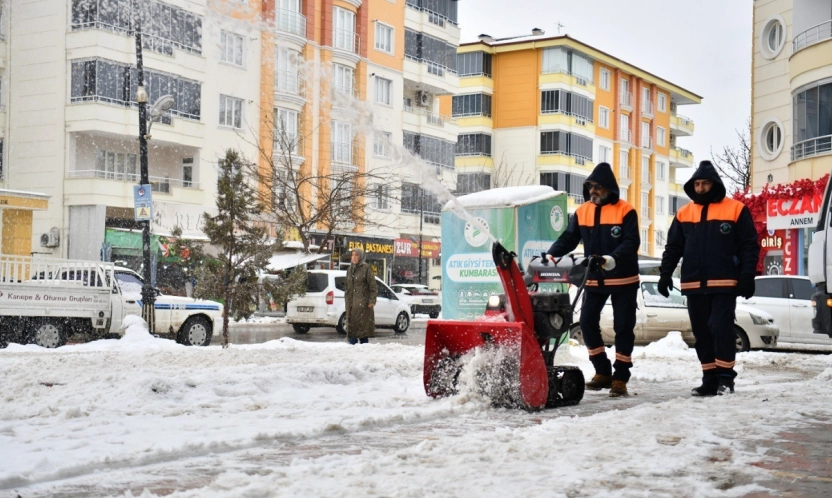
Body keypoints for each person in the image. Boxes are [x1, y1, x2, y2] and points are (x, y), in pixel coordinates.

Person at [658, 161, 759, 396]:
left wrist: (747, 275)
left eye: (705, 183)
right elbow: (673, 247)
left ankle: (725, 379)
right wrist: (665, 274)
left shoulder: (735, 209)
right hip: (693, 284)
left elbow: (748, 245)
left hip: (724, 283)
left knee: (720, 327)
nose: (701, 187)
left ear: (714, 184)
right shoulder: (684, 213)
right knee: (701, 331)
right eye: (697, 184)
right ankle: (709, 379)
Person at [547, 162, 640, 397]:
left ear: (608, 188)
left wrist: (612, 258)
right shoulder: (582, 211)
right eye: (590, 187)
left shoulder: (625, 210)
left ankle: (620, 378)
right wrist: (552, 253)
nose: (593, 191)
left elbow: (631, 242)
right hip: (594, 279)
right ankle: (602, 372)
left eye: (597, 187)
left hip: (623, 280)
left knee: (623, 328)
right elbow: (569, 238)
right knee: (586, 322)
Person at [345, 247, 378, 345]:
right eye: (352, 255)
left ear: (361, 256)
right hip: (351, 305)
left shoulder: (366, 268)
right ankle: (352, 351)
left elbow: (373, 286)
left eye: (356, 255)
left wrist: (371, 301)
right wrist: (347, 299)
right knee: (352, 330)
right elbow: (347, 287)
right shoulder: (349, 269)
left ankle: (363, 352)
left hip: (363, 306)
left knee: (363, 332)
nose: (354, 257)